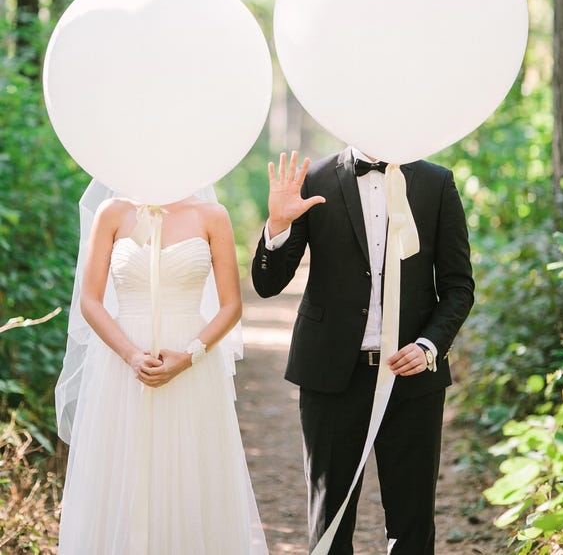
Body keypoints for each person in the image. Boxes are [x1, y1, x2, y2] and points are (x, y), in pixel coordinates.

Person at [252, 149, 474, 555]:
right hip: (331, 373)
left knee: (413, 521)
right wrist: (279, 223)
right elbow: (268, 284)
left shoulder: (436, 181)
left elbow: (459, 287)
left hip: (412, 379)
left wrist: (428, 345)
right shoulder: (312, 178)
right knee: (330, 520)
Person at [58, 189, 268, 554]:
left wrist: (190, 355)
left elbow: (231, 306)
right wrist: (130, 355)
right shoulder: (113, 212)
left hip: (192, 363)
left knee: (189, 472)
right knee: (124, 469)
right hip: (122, 363)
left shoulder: (211, 214)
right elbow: (90, 301)